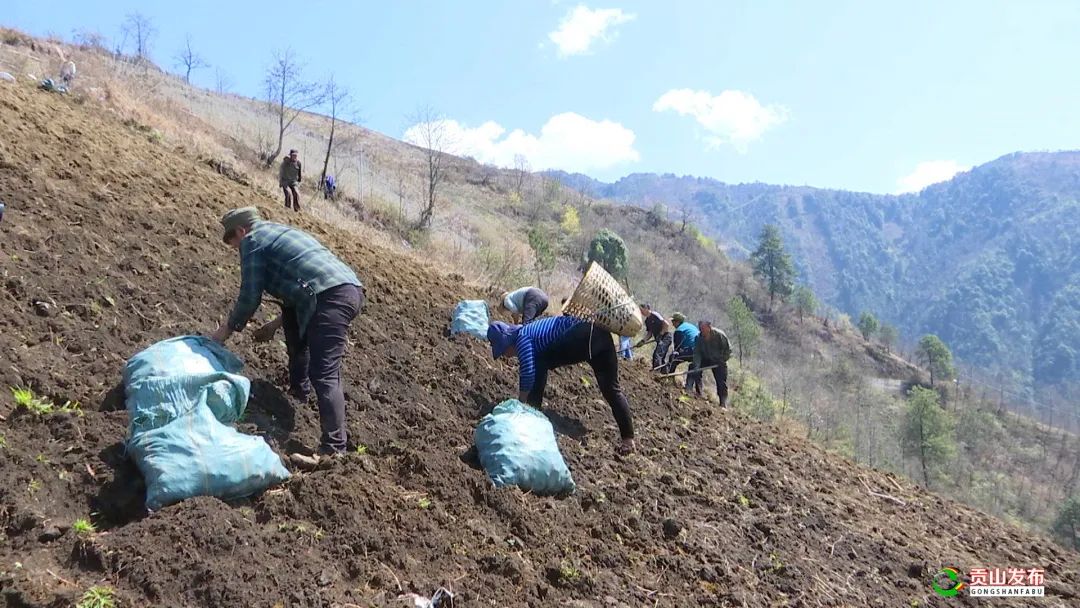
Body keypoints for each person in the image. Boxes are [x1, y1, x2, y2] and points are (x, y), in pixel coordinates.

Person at [210, 207, 364, 465]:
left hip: (330, 297)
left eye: (233, 243)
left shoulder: (252, 240)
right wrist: (273, 325)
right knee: (293, 323)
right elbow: (302, 285)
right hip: (344, 289)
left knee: (324, 372)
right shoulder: (279, 231)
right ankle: (299, 392)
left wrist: (224, 332)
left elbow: (250, 296)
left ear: (240, 231)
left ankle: (333, 450)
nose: (237, 249)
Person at [487, 317, 636, 455]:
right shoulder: (529, 331)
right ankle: (628, 439)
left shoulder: (523, 339)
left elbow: (527, 373)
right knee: (612, 389)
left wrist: (520, 403)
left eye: (503, 351)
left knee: (538, 363)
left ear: (506, 342)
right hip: (599, 335)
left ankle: (531, 416)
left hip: (583, 336)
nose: (505, 356)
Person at [689, 320, 731, 405]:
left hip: (718, 360)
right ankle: (697, 392)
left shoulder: (719, 335)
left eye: (704, 328)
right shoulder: (698, 338)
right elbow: (697, 353)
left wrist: (722, 360)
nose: (702, 331)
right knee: (693, 368)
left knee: (721, 381)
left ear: (709, 327)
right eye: (700, 328)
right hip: (706, 358)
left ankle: (723, 402)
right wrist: (697, 365)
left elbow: (728, 350)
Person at [635, 303, 673, 371]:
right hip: (659, 338)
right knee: (660, 356)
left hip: (665, 337)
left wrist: (661, 334)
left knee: (657, 354)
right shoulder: (647, 321)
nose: (641, 312)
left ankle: (656, 372)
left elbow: (666, 324)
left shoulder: (655, 314)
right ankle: (662, 372)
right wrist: (643, 341)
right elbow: (650, 333)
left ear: (646, 308)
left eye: (641, 310)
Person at [665, 312, 699, 379]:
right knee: (693, 367)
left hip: (692, 351)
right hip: (701, 352)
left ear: (677, 321)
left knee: (673, 358)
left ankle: (669, 378)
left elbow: (677, 348)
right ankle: (691, 388)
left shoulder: (679, 330)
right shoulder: (689, 326)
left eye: (673, 321)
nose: (672, 323)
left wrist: (673, 356)